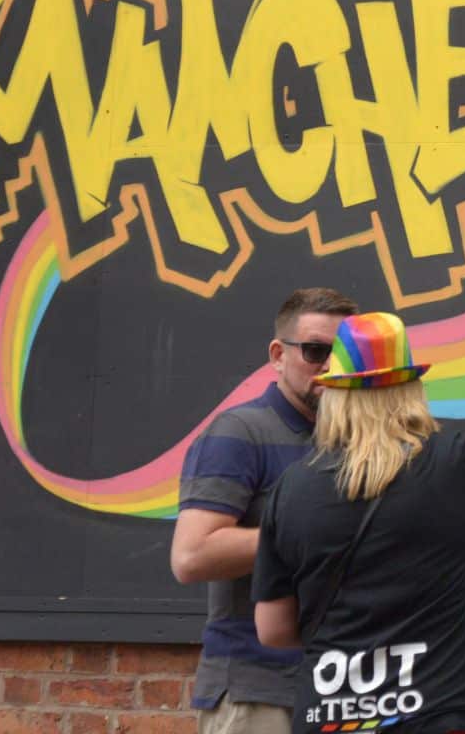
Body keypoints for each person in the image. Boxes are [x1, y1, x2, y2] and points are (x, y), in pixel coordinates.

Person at [251, 312, 465, 734]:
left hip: (333, 718)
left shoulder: (292, 487)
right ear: (411, 389)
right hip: (442, 715)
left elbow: (272, 629)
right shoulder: (458, 462)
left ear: (334, 394)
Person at [173, 286, 360, 734]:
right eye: (316, 350)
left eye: (345, 353)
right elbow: (191, 556)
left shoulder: (357, 439)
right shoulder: (240, 431)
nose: (330, 365)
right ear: (278, 354)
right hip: (259, 691)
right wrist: (312, 531)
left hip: (345, 689)